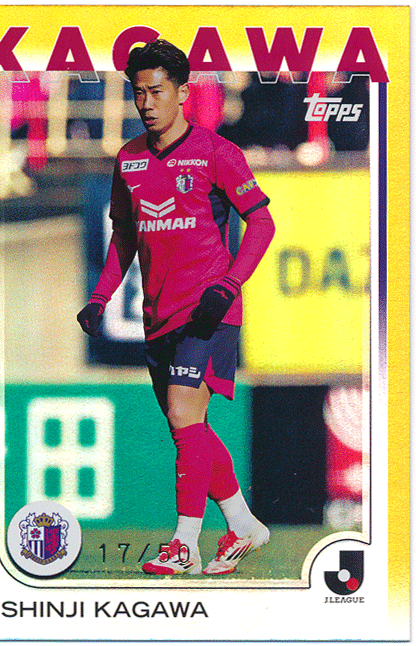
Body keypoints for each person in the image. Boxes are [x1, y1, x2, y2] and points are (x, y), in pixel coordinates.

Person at [77, 39, 275, 576]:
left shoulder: (216, 152)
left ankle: (184, 544)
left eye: (157, 91)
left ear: (184, 93)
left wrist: (229, 285)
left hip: (209, 310)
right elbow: (124, 236)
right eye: (138, 92)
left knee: (186, 414)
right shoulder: (129, 159)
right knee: (188, 427)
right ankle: (242, 524)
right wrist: (100, 297)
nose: (146, 103)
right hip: (157, 314)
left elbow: (262, 222)